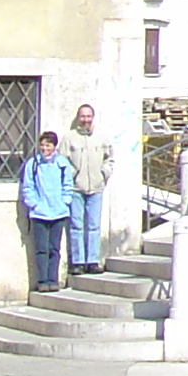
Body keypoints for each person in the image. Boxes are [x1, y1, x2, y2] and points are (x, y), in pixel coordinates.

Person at [18, 132, 76, 293]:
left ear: (54, 146)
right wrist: (34, 204)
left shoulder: (62, 163)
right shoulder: (33, 164)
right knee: (41, 249)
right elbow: (28, 186)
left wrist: (66, 200)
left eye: (48, 145)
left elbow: (68, 184)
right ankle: (42, 280)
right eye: (42, 145)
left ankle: (53, 279)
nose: (45, 148)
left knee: (54, 249)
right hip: (39, 213)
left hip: (58, 212)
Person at [64, 104, 111, 275]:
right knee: (76, 225)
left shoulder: (101, 138)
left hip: (96, 188)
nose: (85, 120)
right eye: (82, 116)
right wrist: (72, 175)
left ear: (93, 117)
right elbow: (63, 162)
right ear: (78, 118)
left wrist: (104, 173)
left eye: (88, 116)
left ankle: (92, 260)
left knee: (93, 225)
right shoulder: (69, 138)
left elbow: (110, 159)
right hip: (77, 188)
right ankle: (77, 262)